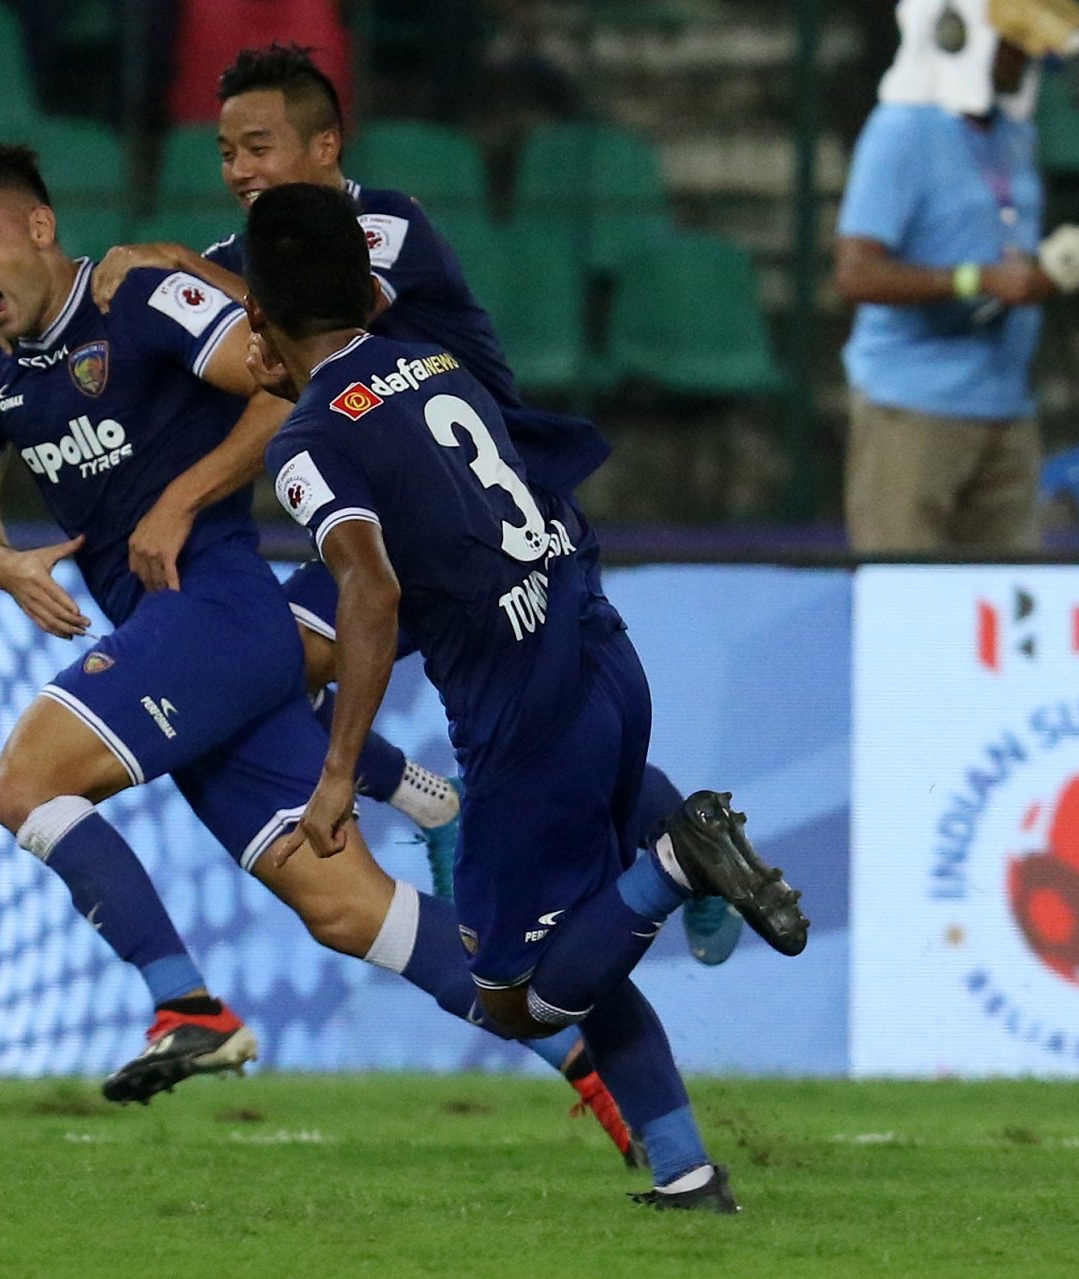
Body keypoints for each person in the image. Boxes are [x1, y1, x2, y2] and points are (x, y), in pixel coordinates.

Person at [0, 143, 640, 1155]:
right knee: (351, 914)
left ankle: (189, 1006)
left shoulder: (139, 303)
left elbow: (277, 381)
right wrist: (6, 564)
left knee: (24, 783)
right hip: (190, 649)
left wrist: (184, 493)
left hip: (216, 610)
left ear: (39, 227)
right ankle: (617, 1078)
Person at [91, 42, 745, 967]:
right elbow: (268, 372)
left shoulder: (381, 227)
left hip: (493, 523)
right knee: (260, 666)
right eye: (228, 152)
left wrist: (168, 275)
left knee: (541, 743)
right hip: (387, 536)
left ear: (326, 147)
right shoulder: (253, 262)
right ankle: (455, 806)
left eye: (261, 146)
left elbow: (307, 338)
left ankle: (668, 838)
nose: (240, 169)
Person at [243, 181, 809, 1212]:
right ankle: (686, 1174)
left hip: (522, 717)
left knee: (520, 996)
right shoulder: (436, 357)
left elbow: (369, 590)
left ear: (258, 325)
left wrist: (338, 778)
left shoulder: (308, 445)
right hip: (597, 648)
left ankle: (685, 854)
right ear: (371, 292)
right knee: (588, 944)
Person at [835, 0, 1060, 554]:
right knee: (905, 603)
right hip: (914, 410)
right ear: (959, 34)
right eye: (1012, 38)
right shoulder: (901, 132)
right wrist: (974, 281)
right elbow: (856, 274)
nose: (1026, 52)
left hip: (1008, 409)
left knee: (1009, 609)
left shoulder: (1012, 135)